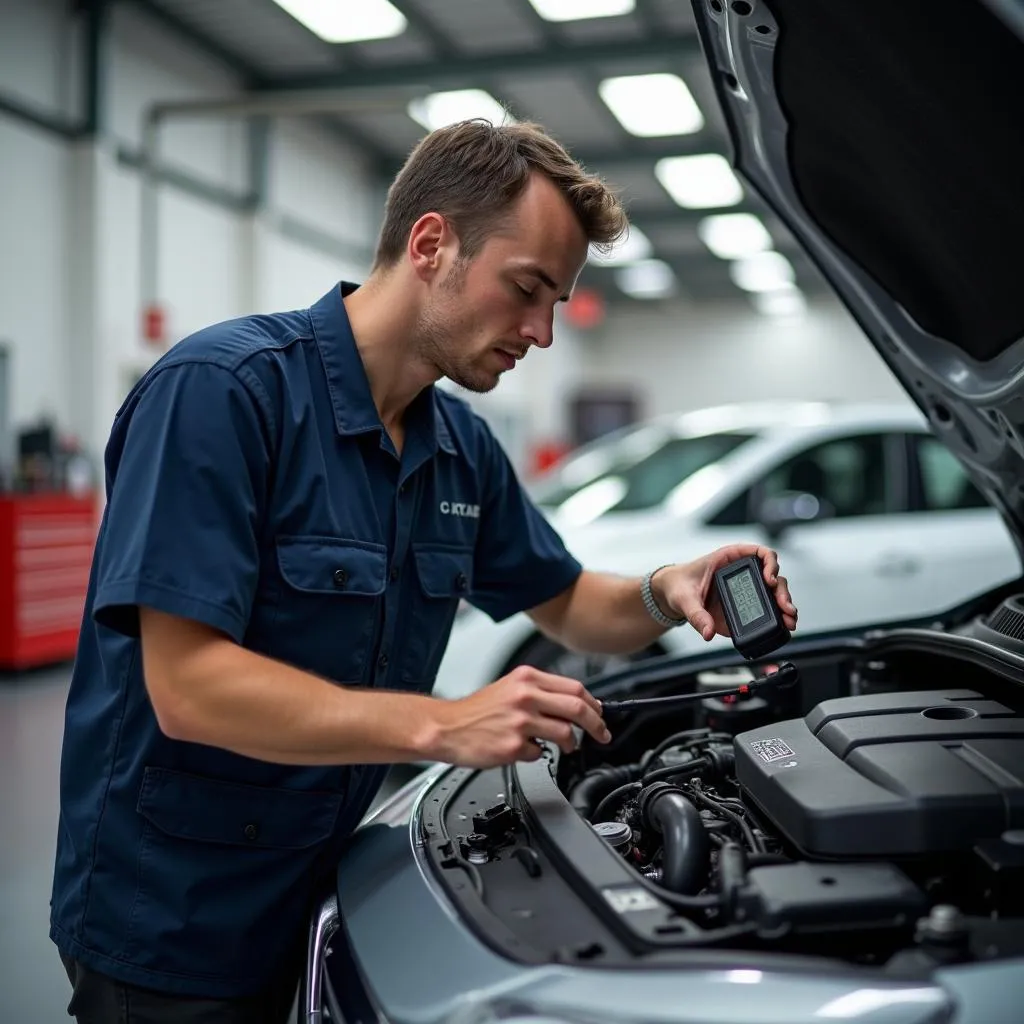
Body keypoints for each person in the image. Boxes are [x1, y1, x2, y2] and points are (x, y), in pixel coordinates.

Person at [50, 118, 798, 1023]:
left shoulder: (459, 450)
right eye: (527, 289)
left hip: (335, 889)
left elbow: (566, 603)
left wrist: (669, 589)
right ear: (432, 244)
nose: (543, 332)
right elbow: (188, 688)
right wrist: (445, 726)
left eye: (557, 302)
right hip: (175, 917)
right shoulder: (224, 393)